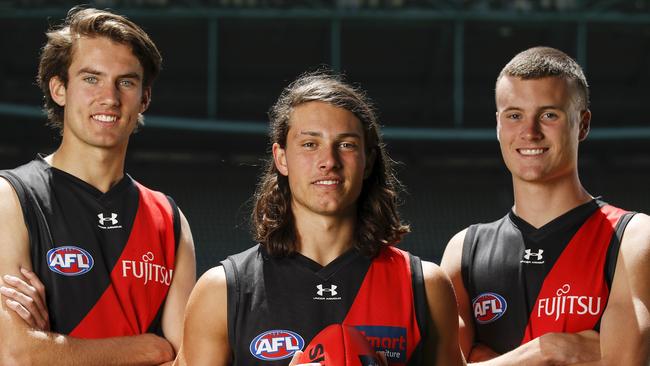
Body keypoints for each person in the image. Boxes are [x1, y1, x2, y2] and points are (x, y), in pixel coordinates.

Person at [173, 72, 465, 365]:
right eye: (310, 144)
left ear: (368, 161)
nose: (329, 161)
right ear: (281, 158)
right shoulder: (222, 291)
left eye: (347, 144)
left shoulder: (425, 287)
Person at [0, 7, 196, 365]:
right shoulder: (10, 198)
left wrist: (52, 348)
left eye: (126, 81)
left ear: (144, 99)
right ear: (59, 88)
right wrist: (149, 347)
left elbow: (186, 360)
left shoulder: (169, 220)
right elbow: (17, 355)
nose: (109, 97)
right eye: (91, 78)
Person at [441, 46, 650, 365]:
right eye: (514, 115)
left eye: (549, 114)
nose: (530, 132)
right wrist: (548, 351)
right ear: (498, 125)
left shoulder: (633, 239)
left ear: (582, 124)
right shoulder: (463, 251)